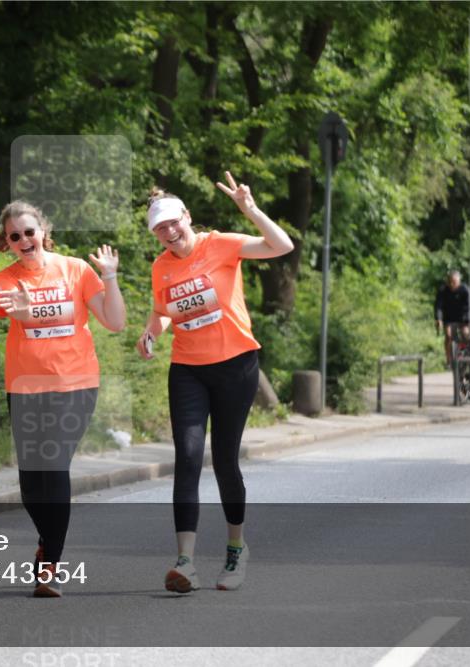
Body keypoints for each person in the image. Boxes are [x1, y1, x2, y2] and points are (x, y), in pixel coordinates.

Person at [135, 172, 293, 593]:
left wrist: (251, 209)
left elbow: (282, 246)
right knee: (186, 459)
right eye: (160, 229)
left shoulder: (218, 244)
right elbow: (163, 310)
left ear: (187, 217)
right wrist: (152, 333)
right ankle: (185, 561)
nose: (169, 232)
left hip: (236, 366)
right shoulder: (161, 267)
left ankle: (236, 549)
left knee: (225, 462)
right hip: (188, 368)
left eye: (173, 222)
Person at [0, 200, 126, 598]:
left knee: (54, 465)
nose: (24, 240)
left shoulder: (76, 270)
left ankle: (50, 563)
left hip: (75, 383)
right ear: (8, 243)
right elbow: (24, 318)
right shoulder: (5, 279)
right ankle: (46, 543)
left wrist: (111, 277)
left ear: (43, 231)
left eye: (29, 232)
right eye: (15, 236)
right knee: (31, 484)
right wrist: (25, 309)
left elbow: (115, 323)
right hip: (25, 386)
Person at [435, 269, 470, 368]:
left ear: (459, 281)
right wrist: (438, 319)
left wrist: (467, 322)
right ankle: (448, 360)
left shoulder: (465, 290)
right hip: (449, 317)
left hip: (463, 317)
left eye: (454, 282)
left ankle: (468, 354)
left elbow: (469, 307)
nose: (452, 284)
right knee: (448, 335)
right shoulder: (443, 290)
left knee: (465, 334)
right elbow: (438, 306)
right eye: (450, 282)